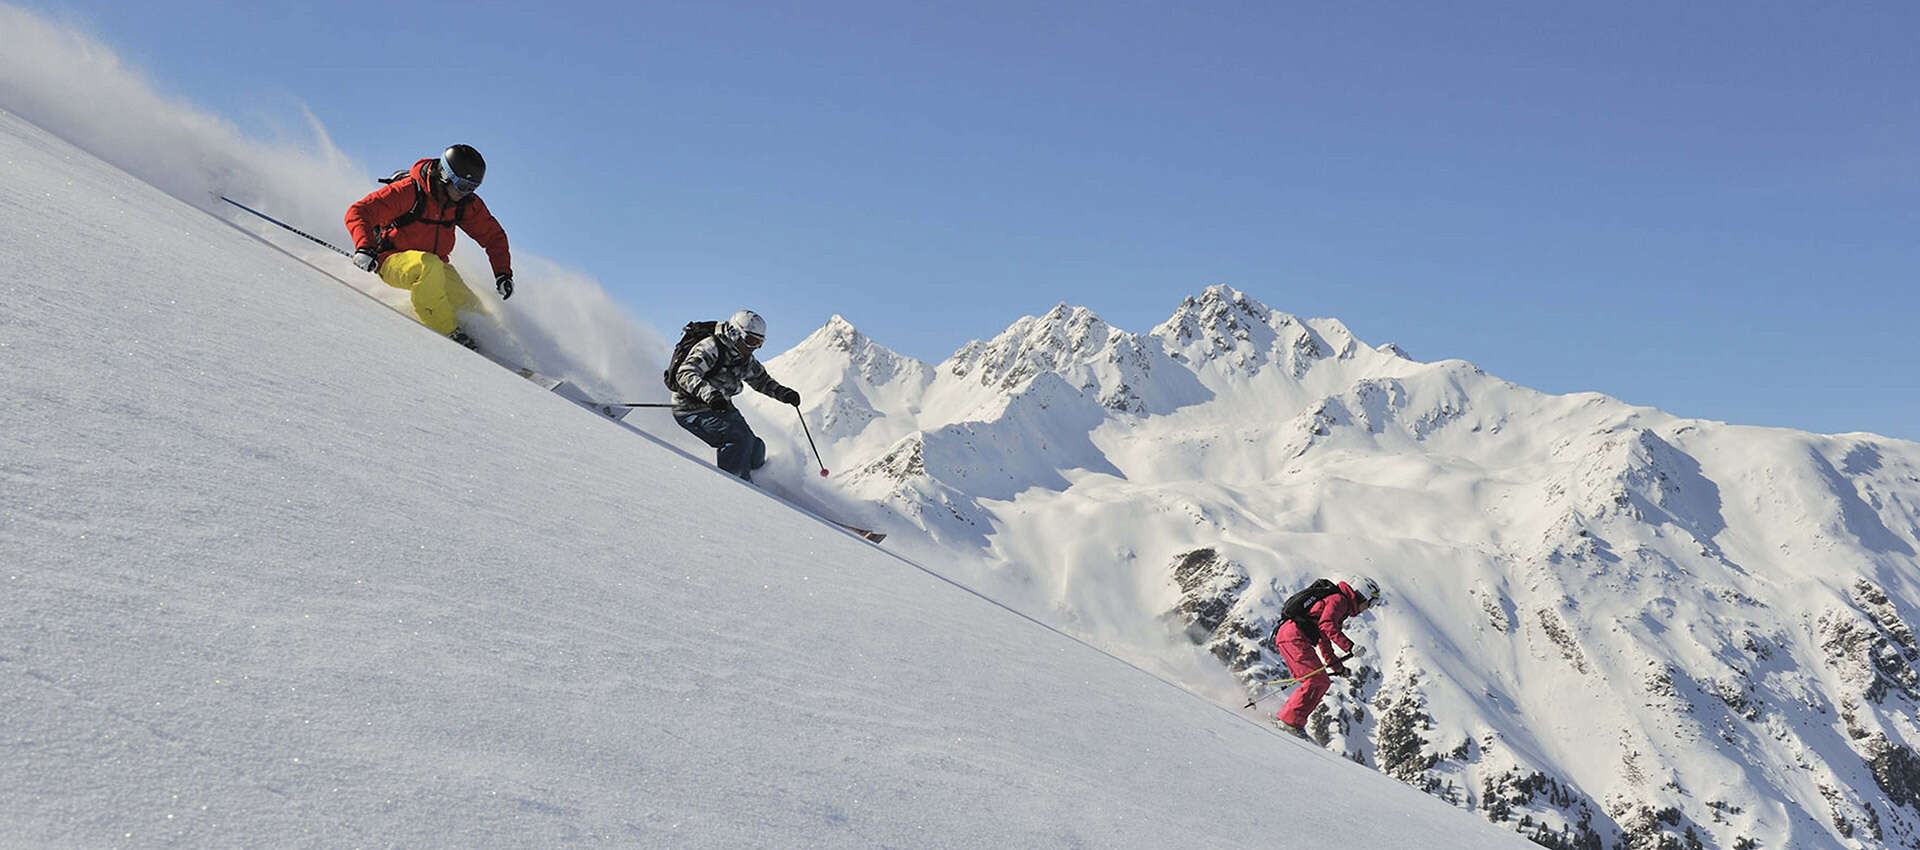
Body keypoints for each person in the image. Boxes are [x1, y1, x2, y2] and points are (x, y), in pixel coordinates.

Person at [343, 144, 513, 347]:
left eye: (472, 188)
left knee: (469, 304)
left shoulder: (464, 203)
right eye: (462, 186)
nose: (465, 193)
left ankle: (496, 347)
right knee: (428, 267)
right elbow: (359, 212)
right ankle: (447, 330)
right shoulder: (410, 191)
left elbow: (493, 236)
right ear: (445, 175)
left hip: (435, 264)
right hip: (392, 259)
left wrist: (503, 273)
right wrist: (364, 247)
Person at [670, 310, 802, 481]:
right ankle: (737, 486)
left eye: (759, 343)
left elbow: (761, 380)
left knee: (755, 449)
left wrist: (783, 393)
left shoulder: (744, 357)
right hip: (692, 408)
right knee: (738, 439)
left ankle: (761, 481)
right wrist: (710, 395)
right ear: (735, 333)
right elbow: (686, 373)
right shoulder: (711, 348)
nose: (754, 347)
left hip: (721, 407)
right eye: (751, 340)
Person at [1272, 577, 1383, 738]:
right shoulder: (1339, 601)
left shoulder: (1339, 604)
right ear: (1363, 595)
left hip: (1290, 636)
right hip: (1293, 637)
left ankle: (1292, 721)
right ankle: (1288, 722)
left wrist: (1337, 667)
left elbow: (1324, 639)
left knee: (1321, 681)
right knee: (1316, 680)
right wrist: (1350, 647)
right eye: (1370, 603)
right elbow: (1327, 625)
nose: (1367, 608)